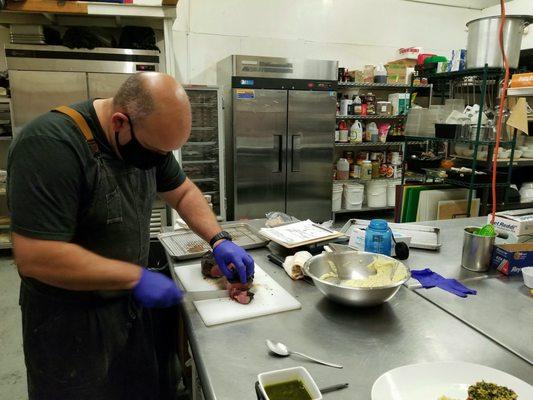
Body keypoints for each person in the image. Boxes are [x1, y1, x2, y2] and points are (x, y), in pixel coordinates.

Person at [7, 72, 255, 400]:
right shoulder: (51, 145)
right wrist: (135, 277)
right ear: (120, 122)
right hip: (69, 326)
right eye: (155, 151)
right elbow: (36, 256)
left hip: (127, 312)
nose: (159, 160)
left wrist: (218, 238)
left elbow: (182, 192)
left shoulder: (147, 142)